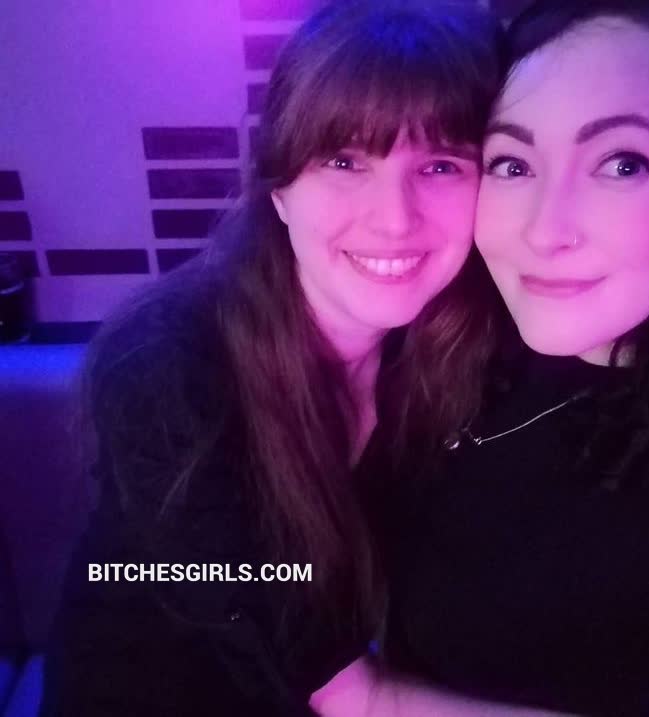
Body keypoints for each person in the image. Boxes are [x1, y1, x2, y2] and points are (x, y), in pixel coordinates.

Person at [39, 1, 502, 715]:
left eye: (440, 165)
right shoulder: (168, 364)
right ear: (280, 189)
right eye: (345, 161)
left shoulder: (443, 348)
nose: (395, 218)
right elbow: (353, 698)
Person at [315, 0, 649, 715]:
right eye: (512, 163)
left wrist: (373, 699)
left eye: (622, 163)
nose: (545, 230)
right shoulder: (443, 324)